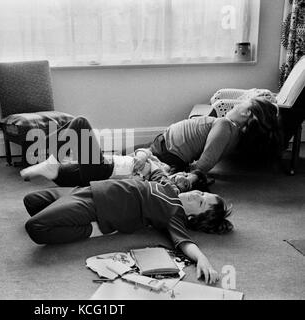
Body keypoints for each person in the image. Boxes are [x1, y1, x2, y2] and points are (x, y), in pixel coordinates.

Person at [23, 178, 233, 284]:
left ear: (192, 217)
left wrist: (203, 259)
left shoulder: (174, 213)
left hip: (98, 206)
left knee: (36, 227)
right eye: (203, 193)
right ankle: (66, 217)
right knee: (31, 201)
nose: (198, 194)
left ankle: (89, 230)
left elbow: (185, 242)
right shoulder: (173, 188)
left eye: (202, 201)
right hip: (88, 189)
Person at [20, 116, 209, 193]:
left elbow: (166, 188)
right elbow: (145, 151)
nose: (182, 177)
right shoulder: (168, 167)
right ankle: (50, 160)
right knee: (60, 170)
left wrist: (153, 169)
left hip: (105, 172)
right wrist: (143, 155)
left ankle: (46, 152)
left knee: (80, 123)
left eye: (186, 182)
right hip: (93, 170)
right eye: (185, 174)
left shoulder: (165, 186)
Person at [143, 97, 281, 173]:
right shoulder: (234, 133)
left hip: (166, 150)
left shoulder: (225, 125)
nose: (236, 105)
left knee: (127, 157)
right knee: (129, 153)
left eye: (240, 105)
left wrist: (191, 174)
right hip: (166, 146)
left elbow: (208, 159)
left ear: (247, 113)